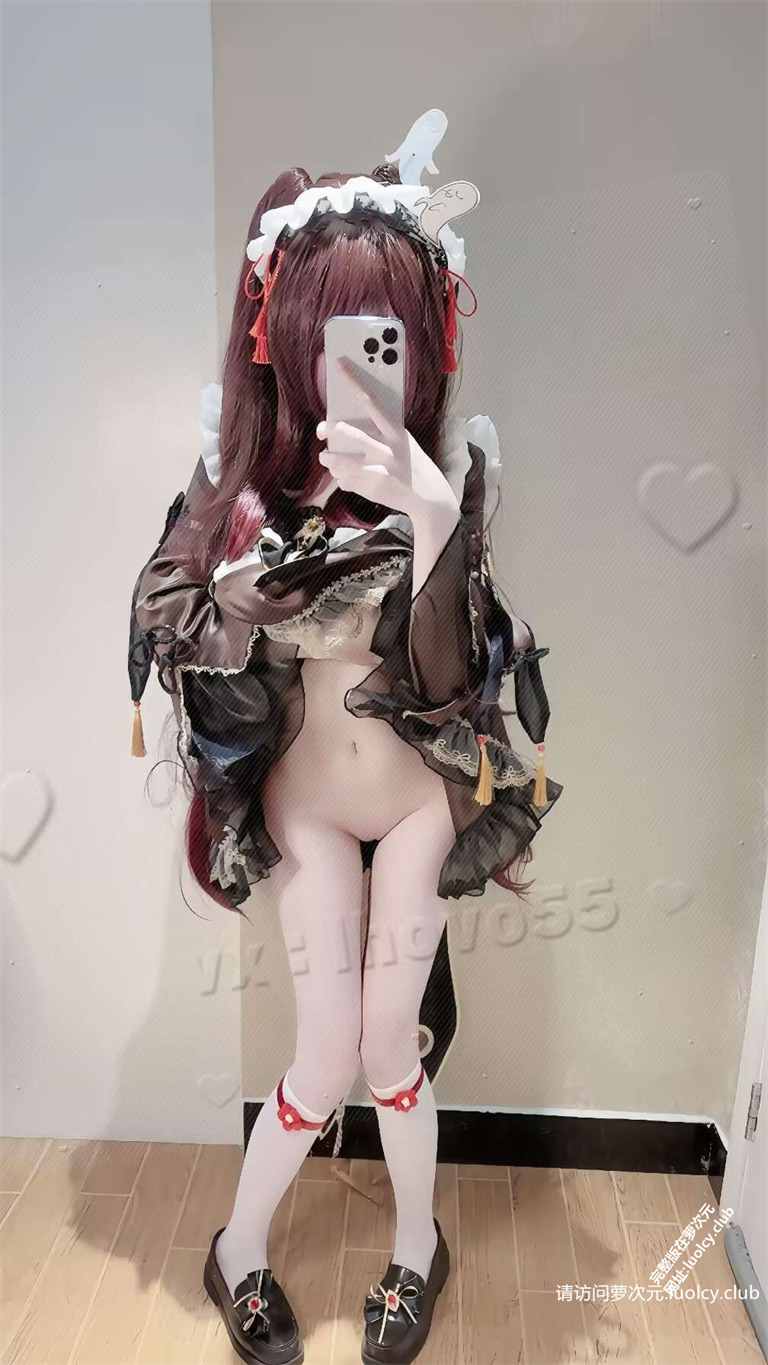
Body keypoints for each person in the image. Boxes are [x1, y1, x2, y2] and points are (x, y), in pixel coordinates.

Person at [128, 112, 563, 1365]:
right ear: (284, 332)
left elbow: (451, 684)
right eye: (342, 333)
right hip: (309, 804)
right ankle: (238, 1248)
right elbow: (170, 626)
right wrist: (248, 590)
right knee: (326, 1051)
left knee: (389, 1043)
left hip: (416, 799)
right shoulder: (237, 489)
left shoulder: (449, 483)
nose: (367, 360)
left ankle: (418, 1246)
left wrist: (429, 516)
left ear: (421, 345)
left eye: (390, 337)